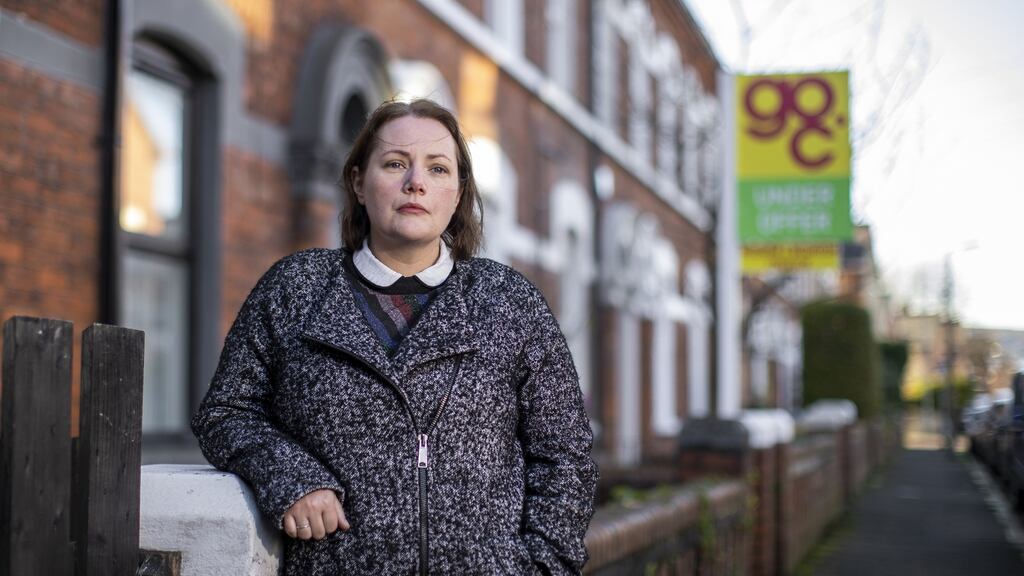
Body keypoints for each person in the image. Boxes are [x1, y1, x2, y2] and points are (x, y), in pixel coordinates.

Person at [192, 98, 597, 575]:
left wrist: (542, 568)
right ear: (359, 182)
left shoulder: (509, 302)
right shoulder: (295, 290)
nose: (416, 183)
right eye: (395, 163)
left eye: (438, 168)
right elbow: (226, 412)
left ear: (458, 192)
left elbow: (565, 455)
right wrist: (291, 475)